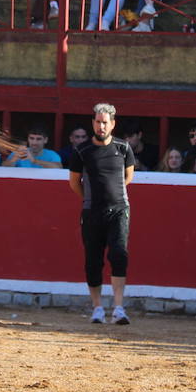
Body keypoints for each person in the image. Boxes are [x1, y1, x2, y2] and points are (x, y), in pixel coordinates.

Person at [68, 102, 136, 326]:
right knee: (93, 261)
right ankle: (97, 307)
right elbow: (74, 183)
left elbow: (128, 178)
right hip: (92, 211)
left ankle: (118, 307)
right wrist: (90, 199)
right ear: (93, 123)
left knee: (119, 255)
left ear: (113, 124)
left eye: (105, 122)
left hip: (118, 209)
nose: (101, 126)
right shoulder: (82, 151)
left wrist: (113, 198)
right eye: (97, 122)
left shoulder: (123, 148)